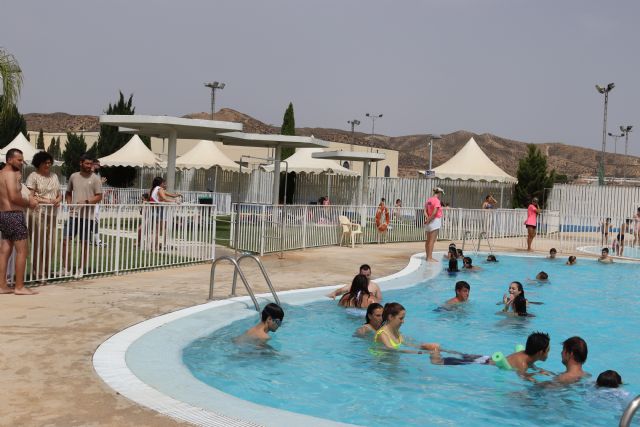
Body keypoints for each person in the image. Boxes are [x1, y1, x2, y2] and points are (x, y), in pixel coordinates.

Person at [0, 149, 39, 295]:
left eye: (22, 160)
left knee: (5, 251)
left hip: (3, 215)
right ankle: (19, 286)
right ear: (9, 160)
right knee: (23, 251)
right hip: (14, 215)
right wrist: (30, 203)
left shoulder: (1, 174)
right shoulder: (11, 175)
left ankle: (2, 285)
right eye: (19, 160)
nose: (21, 163)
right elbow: (13, 197)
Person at [62, 154, 103, 276]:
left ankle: (81, 269)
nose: (89, 166)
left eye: (91, 164)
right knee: (65, 240)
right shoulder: (73, 176)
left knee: (84, 243)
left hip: (87, 217)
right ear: (81, 163)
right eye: (87, 163)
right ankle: (66, 268)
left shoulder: (95, 178)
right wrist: (69, 205)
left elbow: (99, 196)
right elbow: (68, 192)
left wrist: (86, 202)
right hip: (73, 216)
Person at [25, 151, 61, 282]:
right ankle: (37, 272)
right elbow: (30, 196)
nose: (48, 164)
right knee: (38, 243)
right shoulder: (33, 176)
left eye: (49, 162)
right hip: (37, 213)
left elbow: (58, 193)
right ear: (38, 163)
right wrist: (46, 201)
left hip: (52, 213)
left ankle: (46, 269)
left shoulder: (54, 176)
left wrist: (58, 199)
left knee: (51, 244)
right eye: (45, 162)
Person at [373, 302, 440, 353]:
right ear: (390, 317)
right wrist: (421, 352)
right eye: (401, 318)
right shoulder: (382, 334)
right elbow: (392, 351)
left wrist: (423, 347)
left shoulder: (396, 331)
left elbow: (406, 343)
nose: (403, 321)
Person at [149, 176, 181, 250]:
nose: (165, 185)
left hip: (154, 210)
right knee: (160, 230)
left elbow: (168, 195)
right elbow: (164, 198)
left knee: (158, 229)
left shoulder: (154, 189)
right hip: (158, 211)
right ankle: (156, 246)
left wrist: (176, 195)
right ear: (161, 183)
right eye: (164, 183)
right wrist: (175, 201)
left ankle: (156, 245)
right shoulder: (160, 189)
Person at [424, 187, 444, 262]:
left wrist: (427, 218)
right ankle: (430, 258)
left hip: (428, 222)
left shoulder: (429, 200)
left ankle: (427, 257)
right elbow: (435, 212)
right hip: (435, 221)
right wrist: (430, 219)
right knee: (432, 241)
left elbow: (425, 211)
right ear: (439, 193)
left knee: (428, 240)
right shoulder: (437, 201)